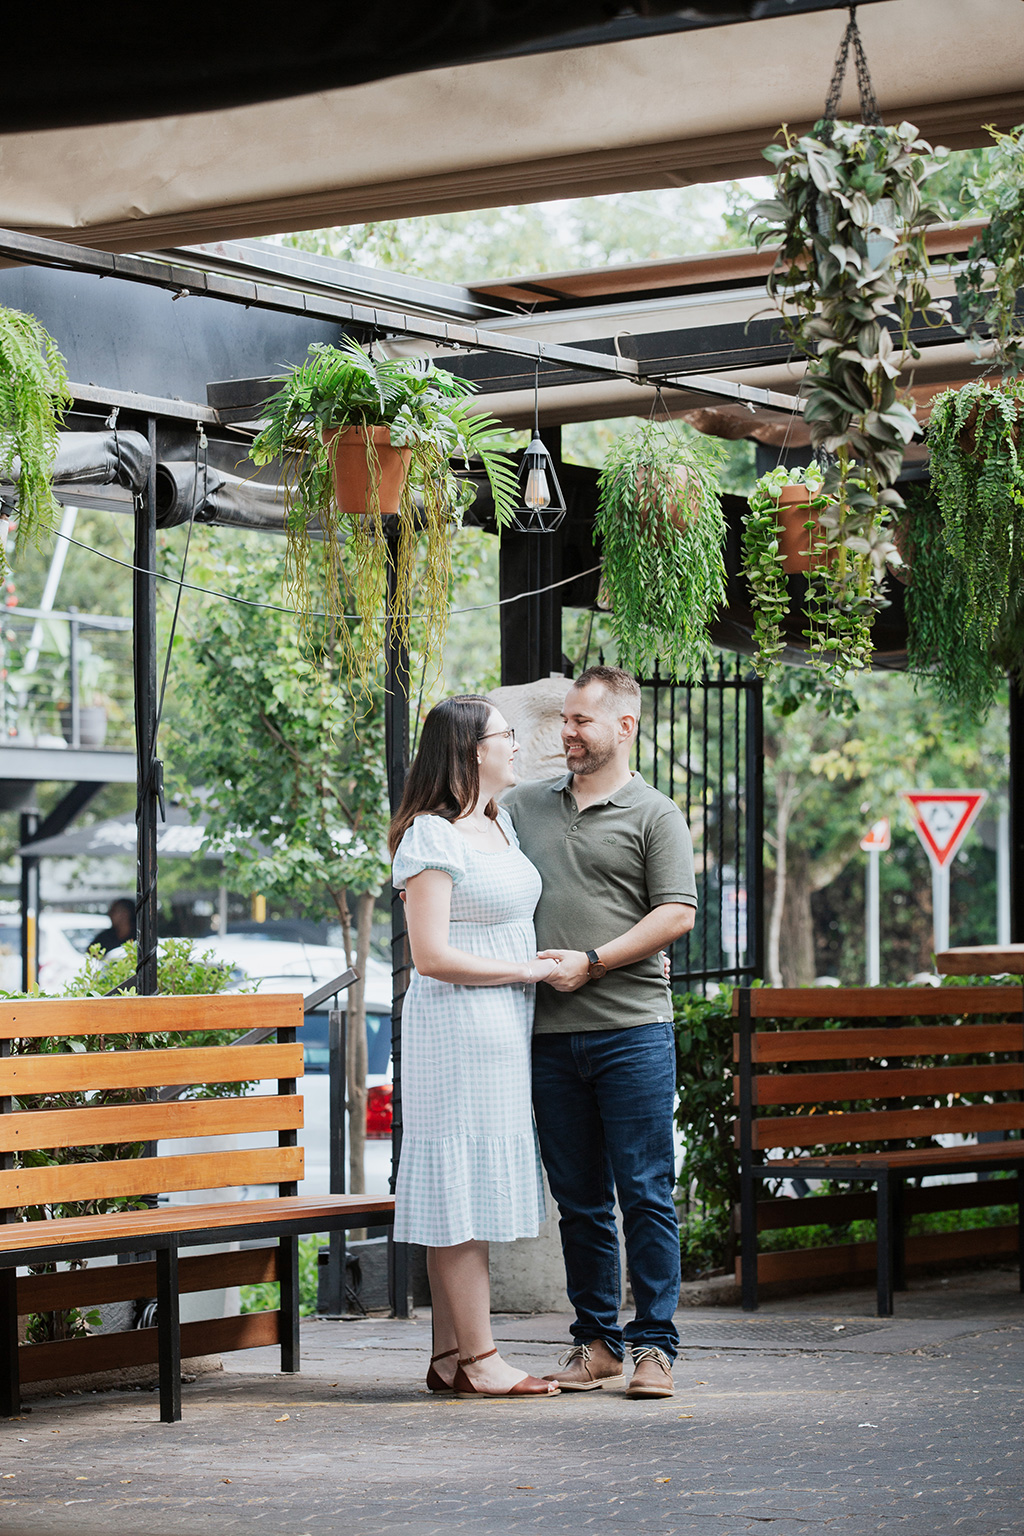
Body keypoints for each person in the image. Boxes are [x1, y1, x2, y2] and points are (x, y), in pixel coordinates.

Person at [503, 665, 697, 1400]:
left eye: (583, 720)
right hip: (548, 1034)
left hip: (633, 1030)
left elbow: (675, 913)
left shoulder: (656, 815)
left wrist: (592, 962)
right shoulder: (522, 806)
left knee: (645, 1191)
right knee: (579, 1199)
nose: (568, 732)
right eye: (565, 720)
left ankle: (654, 1347)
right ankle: (596, 1344)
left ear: (625, 726)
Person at [388, 694, 561, 1399]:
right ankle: (484, 1359)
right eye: (505, 735)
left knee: (464, 1190)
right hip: (456, 1027)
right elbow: (430, 955)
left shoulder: (499, 825)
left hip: (502, 1028)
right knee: (456, 1188)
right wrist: (524, 970)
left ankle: (450, 1358)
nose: (516, 745)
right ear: (469, 751)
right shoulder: (431, 836)